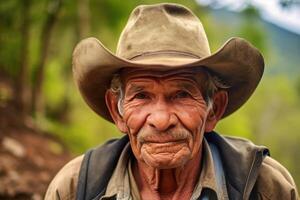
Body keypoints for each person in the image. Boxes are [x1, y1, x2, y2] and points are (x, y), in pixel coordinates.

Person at [45, 3, 298, 200]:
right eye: (141, 96)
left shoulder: (265, 187)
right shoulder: (74, 188)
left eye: (182, 95)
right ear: (118, 112)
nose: (161, 120)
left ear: (214, 110)